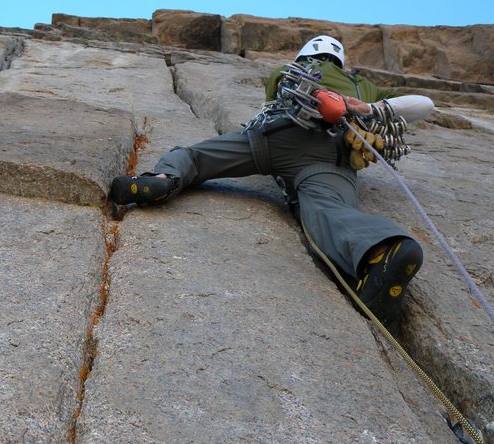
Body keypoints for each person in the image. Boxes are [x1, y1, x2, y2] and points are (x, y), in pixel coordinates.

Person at [110, 35, 435, 331]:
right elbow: (424, 104)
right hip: (328, 155)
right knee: (327, 210)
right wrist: (368, 108)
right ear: (341, 59)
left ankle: (162, 179)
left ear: (306, 53)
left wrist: (340, 103)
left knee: (196, 157)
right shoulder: (363, 84)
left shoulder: (295, 68)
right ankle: (381, 250)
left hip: (273, 134)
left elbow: (287, 87)